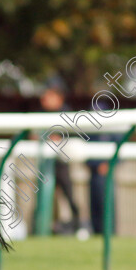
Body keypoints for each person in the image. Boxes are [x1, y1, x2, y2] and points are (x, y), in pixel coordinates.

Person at [39, 86, 86, 237]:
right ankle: (42, 227)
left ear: (58, 98)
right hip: (46, 162)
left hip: (61, 163)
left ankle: (78, 224)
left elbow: (77, 136)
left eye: (48, 95)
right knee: (43, 195)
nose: (44, 99)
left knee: (68, 194)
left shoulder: (67, 113)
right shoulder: (42, 113)